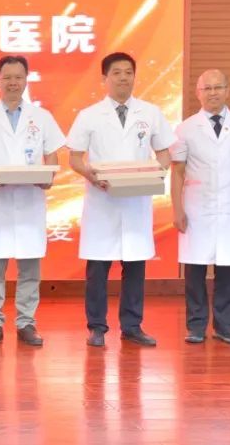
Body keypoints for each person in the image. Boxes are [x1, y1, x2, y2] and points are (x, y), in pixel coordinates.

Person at [67, 52, 175, 347]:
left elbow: (164, 153)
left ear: (134, 77)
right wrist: (92, 176)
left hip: (136, 201)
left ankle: (132, 326)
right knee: (98, 268)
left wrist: (156, 173)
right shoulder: (89, 115)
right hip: (102, 201)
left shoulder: (150, 113)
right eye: (116, 72)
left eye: (128, 72)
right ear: (105, 78)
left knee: (135, 266)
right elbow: (75, 159)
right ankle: (97, 327)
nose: (123, 78)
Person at [0, 56, 65, 347]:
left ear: (26, 80)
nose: (13, 83)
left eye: (18, 77)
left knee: (30, 268)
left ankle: (26, 322)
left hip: (31, 200)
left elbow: (53, 155)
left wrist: (49, 176)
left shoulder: (41, 117)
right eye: (7, 77)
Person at [171, 69, 230, 345]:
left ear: (227, 90)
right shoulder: (185, 128)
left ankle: (225, 326)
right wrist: (177, 209)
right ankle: (196, 326)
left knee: (227, 268)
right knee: (195, 268)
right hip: (196, 206)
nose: (213, 93)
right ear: (198, 93)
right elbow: (177, 171)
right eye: (207, 88)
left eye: (218, 87)